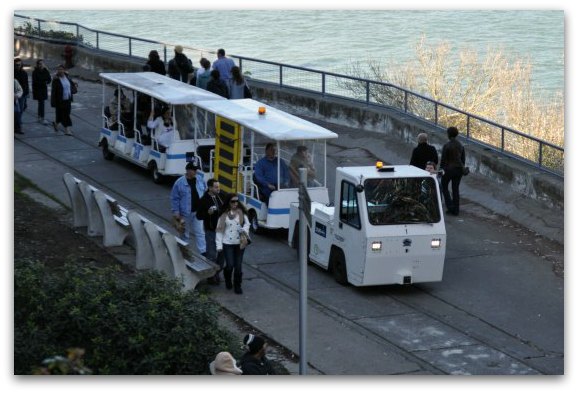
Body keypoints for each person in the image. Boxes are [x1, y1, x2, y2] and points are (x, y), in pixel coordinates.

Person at [215, 193, 250, 294]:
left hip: (240, 243)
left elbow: (247, 224)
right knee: (230, 265)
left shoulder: (241, 213)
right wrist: (219, 245)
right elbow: (219, 231)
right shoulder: (224, 215)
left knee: (238, 266)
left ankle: (237, 285)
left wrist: (244, 230)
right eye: (233, 201)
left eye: (237, 201)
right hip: (228, 243)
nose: (235, 203)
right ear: (228, 202)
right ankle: (227, 279)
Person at [170, 161, 207, 255]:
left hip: (198, 212)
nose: (196, 172)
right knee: (185, 234)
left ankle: (203, 253)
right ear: (188, 170)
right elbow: (174, 198)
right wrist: (176, 212)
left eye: (196, 170)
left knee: (200, 233)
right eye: (194, 170)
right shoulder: (179, 182)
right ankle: (184, 252)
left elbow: (205, 192)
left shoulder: (200, 179)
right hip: (185, 214)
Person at [196, 178, 227, 284]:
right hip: (211, 231)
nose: (218, 189)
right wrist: (208, 213)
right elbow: (199, 216)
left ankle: (217, 273)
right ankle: (211, 276)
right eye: (216, 187)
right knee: (212, 255)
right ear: (209, 188)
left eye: (219, 186)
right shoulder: (204, 200)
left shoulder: (221, 196)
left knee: (223, 254)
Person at [440, 126, 466, 216]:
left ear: (449, 134)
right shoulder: (460, 145)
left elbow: (443, 160)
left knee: (444, 187)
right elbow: (463, 159)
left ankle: (450, 206)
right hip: (458, 170)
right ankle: (456, 210)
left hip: (448, 170)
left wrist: (441, 169)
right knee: (455, 189)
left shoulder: (447, 145)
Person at [50, 64, 77, 136]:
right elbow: (53, 92)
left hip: (68, 99)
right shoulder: (56, 80)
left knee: (63, 114)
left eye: (62, 69)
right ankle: (67, 130)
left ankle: (55, 123)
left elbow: (71, 85)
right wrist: (53, 102)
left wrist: (74, 84)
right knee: (65, 115)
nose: (60, 71)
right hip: (60, 100)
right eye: (59, 69)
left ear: (64, 70)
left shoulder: (67, 77)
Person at [32, 59, 52, 125]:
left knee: (41, 103)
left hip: (43, 90)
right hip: (38, 90)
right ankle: (41, 117)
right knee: (41, 103)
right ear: (37, 65)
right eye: (40, 64)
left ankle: (40, 117)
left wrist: (46, 82)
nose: (41, 65)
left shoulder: (45, 70)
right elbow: (35, 82)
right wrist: (44, 82)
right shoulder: (35, 72)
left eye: (42, 64)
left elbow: (49, 79)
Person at [14, 58, 29, 130]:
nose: (18, 66)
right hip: (14, 95)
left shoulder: (24, 73)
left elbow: (26, 84)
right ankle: (17, 126)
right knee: (15, 111)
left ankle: (18, 125)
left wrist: (26, 94)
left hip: (22, 95)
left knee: (20, 110)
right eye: (16, 65)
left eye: (19, 65)